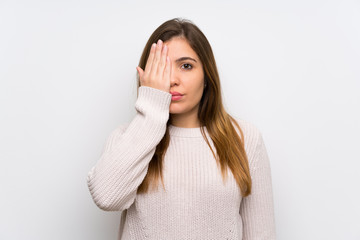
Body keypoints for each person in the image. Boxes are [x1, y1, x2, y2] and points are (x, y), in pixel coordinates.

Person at [86, 17, 276, 240]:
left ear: (206, 76)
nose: (172, 79)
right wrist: (153, 107)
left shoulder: (245, 139)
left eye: (186, 66)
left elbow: (262, 234)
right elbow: (106, 197)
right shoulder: (126, 138)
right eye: (162, 67)